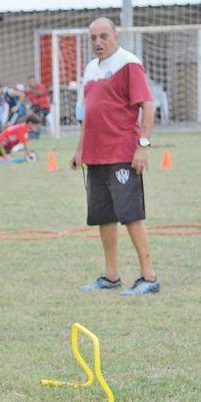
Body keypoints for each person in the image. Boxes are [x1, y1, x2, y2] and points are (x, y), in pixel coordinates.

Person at [73, 17, 160, 296]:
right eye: (93, 38)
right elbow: (88, 113)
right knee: (104, 217)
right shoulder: (89, 69)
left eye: (103, 36)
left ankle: (149, 277)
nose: (98, 42)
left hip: (122, 153)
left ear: (116, 36)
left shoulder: (128, 63)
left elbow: (147, 105)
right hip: (95, 156)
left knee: (131, 215)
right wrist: (79, 149)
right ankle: (111, 276)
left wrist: (143, 146)